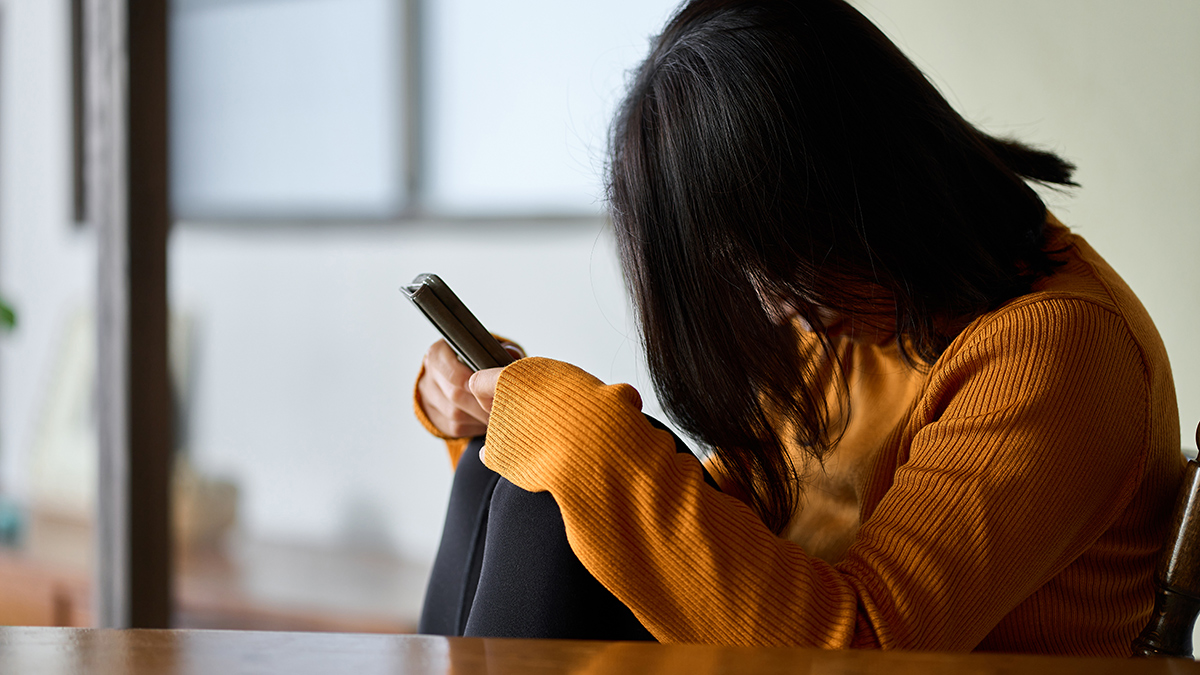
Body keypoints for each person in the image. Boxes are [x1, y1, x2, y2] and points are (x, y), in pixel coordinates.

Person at [413, 0, 1182, 655]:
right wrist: (513, 420)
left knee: (560, 483)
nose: (777, 308)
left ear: (873, 181)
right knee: (514, 480)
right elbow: (751, 518)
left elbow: (864, 648)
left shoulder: (1061, 347)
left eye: (786, 261)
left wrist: (584, 446)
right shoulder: (862, 306)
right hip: (782, 651)